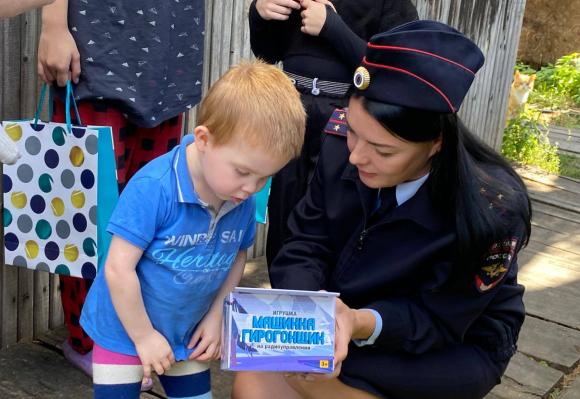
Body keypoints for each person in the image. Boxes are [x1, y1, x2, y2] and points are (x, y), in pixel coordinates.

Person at [233, 20, 532, 399]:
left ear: (436, 142)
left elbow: (440, 319)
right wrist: (310, 318)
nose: (356, 156)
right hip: (343, 314)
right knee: (254, 384)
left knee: (327, 384)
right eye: (354, 131)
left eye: (384, 150)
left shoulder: (494, 210)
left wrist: (356, 324)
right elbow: (305, 242)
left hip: (451, 339)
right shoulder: (339, 147)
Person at [79, 60, 305, 399]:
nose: (251, 188)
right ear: (203, 139)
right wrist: (143, 337)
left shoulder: (239, 197)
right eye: (243, 172)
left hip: (186, 332)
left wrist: (216, 316)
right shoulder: (155, 188)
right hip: (123, 329)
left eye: (265, 177)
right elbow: (117, 268)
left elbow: (238, 256)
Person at [36, 0, 205, 388]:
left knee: (157, 215)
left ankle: (139, 332)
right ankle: (88, 339)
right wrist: (53, 22)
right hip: (96, 47)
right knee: (87, 212)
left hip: (170, 51)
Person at [249, 0, 418, 267]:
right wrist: (259, 13)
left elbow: (395, 70)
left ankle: (333, 300)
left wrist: (333, 28)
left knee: (337, 211)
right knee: (282, 210)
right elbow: (267, 53)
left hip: (348, 116)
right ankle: (283, 297)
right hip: (290, 107)